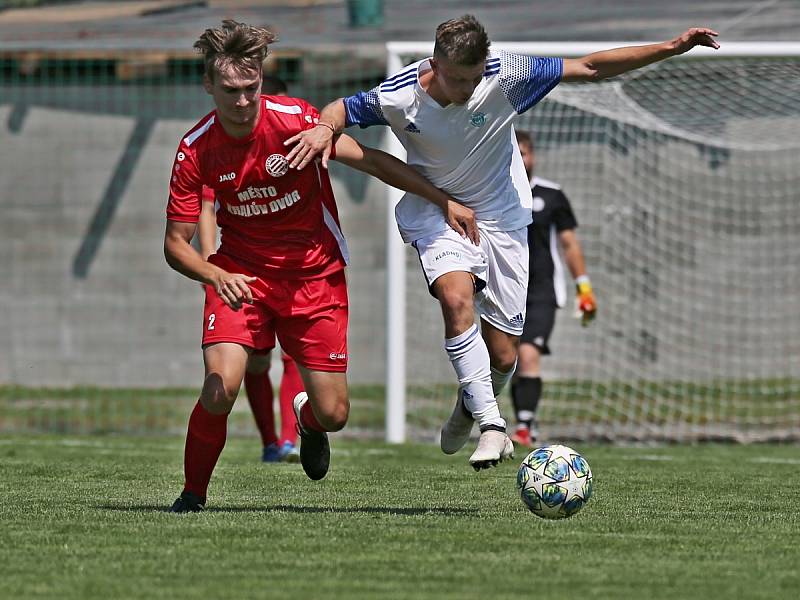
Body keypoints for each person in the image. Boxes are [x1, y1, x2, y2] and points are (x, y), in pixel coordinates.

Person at [285, 15, 719, 470]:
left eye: (474, 78)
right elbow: (341, 108)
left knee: (505, 355)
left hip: (504, 218)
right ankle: (493, 425)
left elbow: (590, 68)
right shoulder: (402, 94)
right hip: (438, 212)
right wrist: (323, 127)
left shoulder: (506, 74)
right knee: (456, 299)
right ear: (435, 63)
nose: (467, 89)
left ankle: (467, 406)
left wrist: (671, 47)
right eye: (456, 78)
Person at [165, 20, 478, 512]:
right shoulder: (195, 149)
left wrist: (442, 201)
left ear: (261, 82)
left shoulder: (295, 121)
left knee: (334, 413)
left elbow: (372, 160)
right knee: (220, 386)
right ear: (208, 86)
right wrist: (215, 274)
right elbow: (175, 245)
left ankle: (307, 422)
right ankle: (192, 494)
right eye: (230, 90)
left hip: (315, 277)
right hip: (241, 277)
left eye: (251, 88)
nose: (243, 101)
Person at [197, 74, 302, 463]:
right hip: (245, 269)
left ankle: (290, 441)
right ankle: (271, 443)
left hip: (292, 267)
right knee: (256, 361)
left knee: (292, 355)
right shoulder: (217, 147)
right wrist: (212, 268)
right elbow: (206, 205)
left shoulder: (294, 139)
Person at [510, 130, 596, 448]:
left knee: (529, 354)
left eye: (525, 152)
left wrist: (584, 288)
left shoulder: (552, 195)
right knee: (509, 360)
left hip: (543, 293)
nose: (521, 158)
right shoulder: (493, 193)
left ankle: (524, 427)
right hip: (505, 290)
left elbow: (569, 243)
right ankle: (520, 424)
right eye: (514, 152)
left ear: (533, 156)